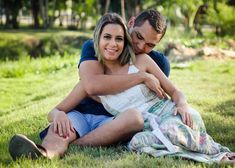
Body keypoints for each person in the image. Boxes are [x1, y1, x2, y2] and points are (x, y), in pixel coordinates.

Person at [9, 12, 235, 164]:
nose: (115, 44)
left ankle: (216, 154)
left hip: (148, 117)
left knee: (169, 123)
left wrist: (182, 103)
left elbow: (170, 92)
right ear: (98, 40)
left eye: (118, 39)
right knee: (131, 141)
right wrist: (58, 113)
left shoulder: (145, 61)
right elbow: (67, 101)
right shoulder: (93, 80)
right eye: (108, 38)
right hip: (121, 121)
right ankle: (44, 155)